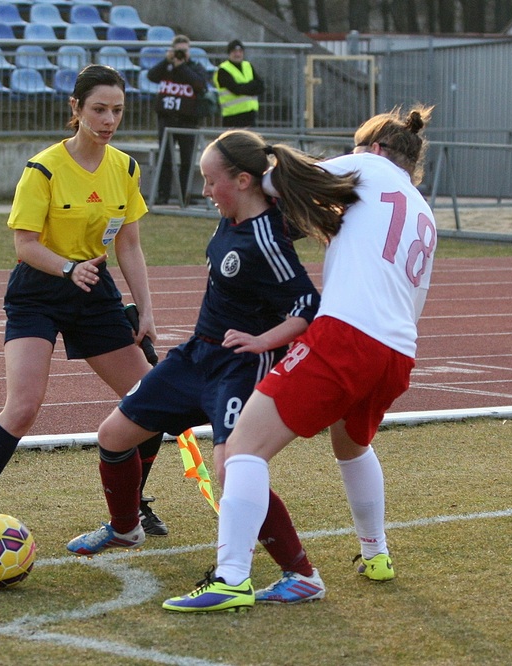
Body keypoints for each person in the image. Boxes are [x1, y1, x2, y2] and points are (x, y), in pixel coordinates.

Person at [163, 105, 438, 612]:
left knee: (243, 447)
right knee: (351, 446)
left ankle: (232, 578)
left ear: (375, 150)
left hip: (346, 335)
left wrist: (263, 181)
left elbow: (274, 183)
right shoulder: (423, 210)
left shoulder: (368, 166)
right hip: (398, 351)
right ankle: (375, 553)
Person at [67, 129, 357, 604]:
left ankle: (301, 574)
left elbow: (308, 305)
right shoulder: (237, 210)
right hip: (196, 355)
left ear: (242, 181)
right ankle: (126, 528)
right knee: (113, 436)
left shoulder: (266, 237)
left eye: (209, 181)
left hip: (239, 368)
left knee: (232, 469)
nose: (204, 192)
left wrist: (263, 341)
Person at [0, 64, 166, 552]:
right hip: (39, 292)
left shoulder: (125, 167)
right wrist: (67, 268)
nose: (109, 120)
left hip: (95, 293)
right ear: (76, 109)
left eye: (117, 111)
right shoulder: (43, 168)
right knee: (23, 406)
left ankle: (135, 504)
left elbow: (129, 245)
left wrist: (146, 309)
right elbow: (24, 245)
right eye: (99, 110)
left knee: (149, 399)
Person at [146, 34, 210, 205]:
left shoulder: (195, 67)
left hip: (188, 120)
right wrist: (166, 61)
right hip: (166, 118)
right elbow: (151, 76)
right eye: (178, 51)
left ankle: (185, 196)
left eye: (184, 51)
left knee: (187, 159)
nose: (181, 54)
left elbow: (200, 84)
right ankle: (163, 195)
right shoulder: (166, 67)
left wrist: (182, 66)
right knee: (165, 158)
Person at [214, 39, 264, 128]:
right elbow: (236, 89)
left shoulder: (248, 65)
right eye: (234, 51)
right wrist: (252, 86)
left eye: (240, 51)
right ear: (229, 53)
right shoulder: (223, 70)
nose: (237, 54)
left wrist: (245, 87)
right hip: (233, 116)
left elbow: (261, 86)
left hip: (250, 114)